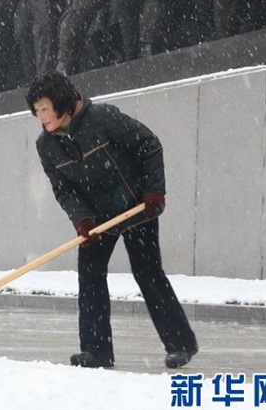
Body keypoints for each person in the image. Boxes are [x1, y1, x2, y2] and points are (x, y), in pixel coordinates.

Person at [25, 72, 198, 369]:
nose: (41, 117)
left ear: (63, 104)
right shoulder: (46, 145)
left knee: (148, 273)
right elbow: (63, 189)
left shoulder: (102, 118)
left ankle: (180, 344)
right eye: (36, 111)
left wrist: (154, 191)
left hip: (135, 206)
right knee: (90, 275)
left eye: (45, 109)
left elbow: (149, 145)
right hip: (97, 218)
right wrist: (82, 218)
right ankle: (97, 351)